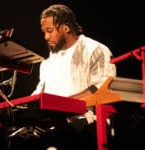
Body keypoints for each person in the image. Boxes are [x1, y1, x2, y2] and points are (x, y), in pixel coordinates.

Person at [31, 4, 116, 150]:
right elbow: (39, 93)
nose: (45, 37)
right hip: (53, 125)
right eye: (44, 32)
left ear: (66, 28)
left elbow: (102, 88)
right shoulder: (47, 62)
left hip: (86, 124)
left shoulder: (95, 49)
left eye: (50, 31)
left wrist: (60, 105)